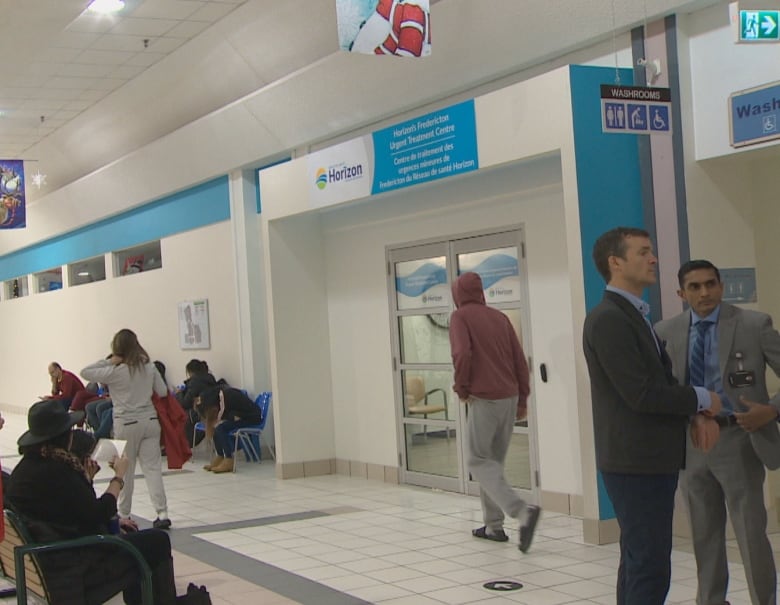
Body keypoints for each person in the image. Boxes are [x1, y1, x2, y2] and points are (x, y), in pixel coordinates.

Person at [582, 227, 722, 605]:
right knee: (650, 565)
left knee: (640, 560)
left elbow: (656, 383)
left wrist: (693, 414)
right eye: (643, 252)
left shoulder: (634, 315)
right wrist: (701, 398)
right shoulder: (610, 319)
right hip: (634, 463)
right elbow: (641, 394)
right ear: (615, 262)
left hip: (646, 461)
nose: (653, 259)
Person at [655, 259, 780, 605]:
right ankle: (710, 600)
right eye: (694, 287)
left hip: (738, 437)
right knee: (704, 533)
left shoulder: (754, 325)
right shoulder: (666, 332)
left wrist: (771, 409)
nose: (705, 292)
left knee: (750, 532)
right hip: (692, 443)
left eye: (711, 284)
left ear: (721, 286)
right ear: (682, 293)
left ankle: (763, 600)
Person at [6, 400, 186, 604]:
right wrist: (119, 476)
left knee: (136, 540)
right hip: (72, 566)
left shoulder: (25, 470)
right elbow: (98, 513)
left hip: (46, 560)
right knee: (157, 542)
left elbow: (68, 510)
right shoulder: (57, 470)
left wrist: (86, 481)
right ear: (65, 437)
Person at [448, 271, 540, 552]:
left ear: (457, 294)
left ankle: (522, 512)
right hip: (509, 398)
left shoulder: (460, 317)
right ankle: (493, 527)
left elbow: (462, 354)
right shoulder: (499, 318)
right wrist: (523, 399)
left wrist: (461, 388)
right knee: (493, 464)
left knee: (478, 460)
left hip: (484, 399)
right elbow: (519, 360)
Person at [81, 329, 171, 530]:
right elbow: (163, 391)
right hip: (150, 420)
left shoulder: (115, 371)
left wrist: (109, 361)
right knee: (153, 468)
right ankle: (162, 512)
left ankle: (124, 512)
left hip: (126, 423)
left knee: (125, 469)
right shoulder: (149, 366)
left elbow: (85, 372)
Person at [195, 386, 261, 473]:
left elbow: (234, 415)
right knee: (217, 427)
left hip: (251, 418)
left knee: (220, 429)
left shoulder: (229, 397)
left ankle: (229, 459)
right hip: (241, 417)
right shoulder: (221, 397)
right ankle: (220, 456)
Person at [175, 359, 217, 447]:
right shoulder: (210, 380)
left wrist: (179, 393)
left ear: (191, 372)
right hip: (210, 412)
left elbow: (185, 403)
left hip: (198, 415)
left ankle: (177, 446)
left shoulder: (195, 383)